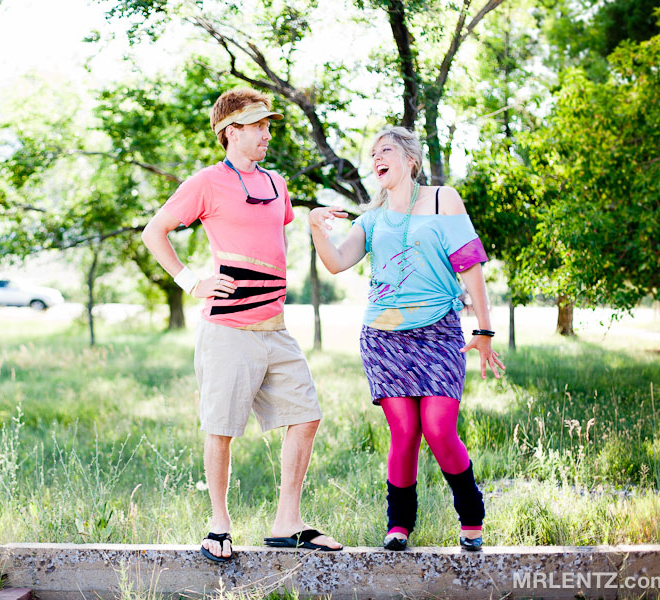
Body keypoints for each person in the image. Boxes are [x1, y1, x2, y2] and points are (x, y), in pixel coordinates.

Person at [141, 88, 342, 563]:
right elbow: (154, 232)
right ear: (232, 131)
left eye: (268, 126)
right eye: (259, 127)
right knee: (221, 428)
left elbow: (272, 232)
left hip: (276, 329)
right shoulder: (206, 182)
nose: (267, 135)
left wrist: (313, 221)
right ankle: (219, 525)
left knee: (306, 415)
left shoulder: (276, 183)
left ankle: (287, 523)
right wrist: (192, 281)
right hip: (228, 331)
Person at [308, 126, 505, 552]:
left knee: (438, 428)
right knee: (404, 432)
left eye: (386, 150)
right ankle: (399, 523)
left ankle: (471, 514)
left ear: (410, 159)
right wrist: (317, 230)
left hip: (437, 331)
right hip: (383, 336)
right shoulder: (372, 219)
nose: (377, 158)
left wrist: (484, 330)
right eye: (373, 153)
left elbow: (470, 264)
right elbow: (338, 262)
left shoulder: (441, 199)